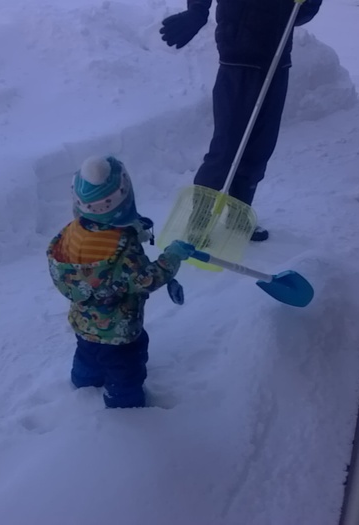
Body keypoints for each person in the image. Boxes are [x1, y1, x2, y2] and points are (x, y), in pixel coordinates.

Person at [160, 0, 323, 241]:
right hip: (238, 59)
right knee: (227, 147)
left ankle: (239, 214)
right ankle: (199, 221)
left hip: (277, 62)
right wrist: (197, 11)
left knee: (260, 145)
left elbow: (298, 15)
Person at [47, 155, 194, 408]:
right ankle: (125, 406)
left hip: (84, 323)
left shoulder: (71, 232)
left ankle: (83, 380)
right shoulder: (122, 251)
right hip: (118, 333)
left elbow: (98, 245)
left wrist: (133, 229)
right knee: (125, 369)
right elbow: (146, 279)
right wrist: (172, 257)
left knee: (87, 355)